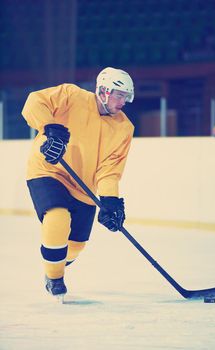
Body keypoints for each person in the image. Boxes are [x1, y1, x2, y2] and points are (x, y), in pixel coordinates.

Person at [22, 67, 135, 298]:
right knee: (57, 217)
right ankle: (55, 280)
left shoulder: (124, 128)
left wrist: (110, 200)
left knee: (76, 245)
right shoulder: (72, 96)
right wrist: (49, 127)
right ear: (103, 91)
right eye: (119, 95)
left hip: (83, 186)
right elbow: (35, 102)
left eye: (126, 96)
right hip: (49, 169)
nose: (123, 101)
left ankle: (54, 267)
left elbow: (109, 169)